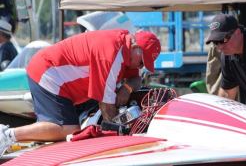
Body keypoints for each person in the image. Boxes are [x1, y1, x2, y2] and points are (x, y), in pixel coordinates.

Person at [0, 29, 161, 155]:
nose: (140, 67)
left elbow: (136, 80)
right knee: (69, 129)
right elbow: (107, 109)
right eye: (141, 62)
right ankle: (6, 136)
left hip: (56, 75)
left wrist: (127, 89)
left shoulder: (125, 48)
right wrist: (119, 140)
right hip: (48, 72)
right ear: (135, 48)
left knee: (73, 129)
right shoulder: (111, 54)